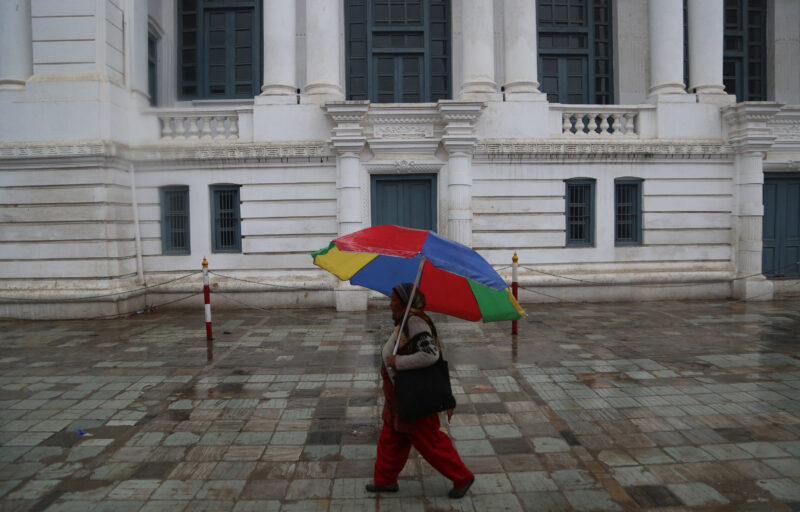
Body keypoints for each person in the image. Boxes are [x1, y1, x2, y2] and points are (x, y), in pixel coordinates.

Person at [366, 282, 475, 499]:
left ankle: (462, 477)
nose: (390, 304)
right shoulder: (405, 320)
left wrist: (398, 362)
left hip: (414, 397)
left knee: (430, 441)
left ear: (405, 302)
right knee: (392, 438)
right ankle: (385, 480)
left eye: (394, 300)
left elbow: (430, 354)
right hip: (398, 397)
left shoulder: (415, 322)